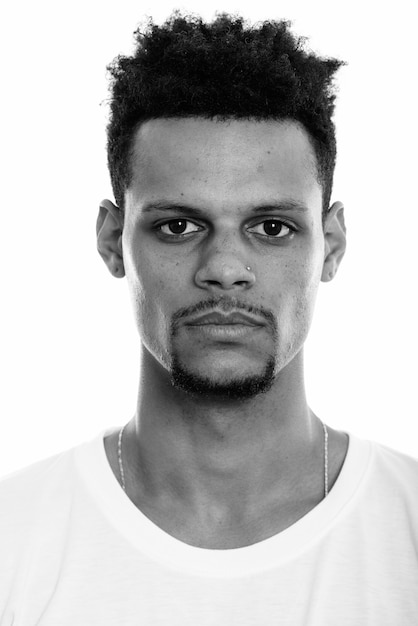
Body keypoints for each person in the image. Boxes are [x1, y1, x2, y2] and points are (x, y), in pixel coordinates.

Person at [1, 12, 417, 624]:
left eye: (271, 228)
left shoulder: (407, 529)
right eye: (180, 226)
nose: (224, 268)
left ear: (330, 245)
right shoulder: (15, 539)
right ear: (114, 240)